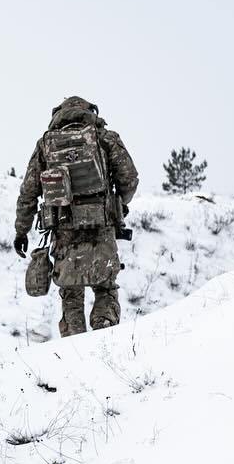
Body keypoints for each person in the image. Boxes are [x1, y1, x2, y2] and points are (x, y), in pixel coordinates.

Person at [13, 96, 139, 336]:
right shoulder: (106, 138)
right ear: (89, 112)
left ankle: (73, 347)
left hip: (64, 227)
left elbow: (28, 192)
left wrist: (21, 230)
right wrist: (120, 202)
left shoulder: (45, 144)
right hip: (101, 225)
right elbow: (129, 179)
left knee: (71, 291)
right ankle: (105, 337)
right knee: (105, 287)